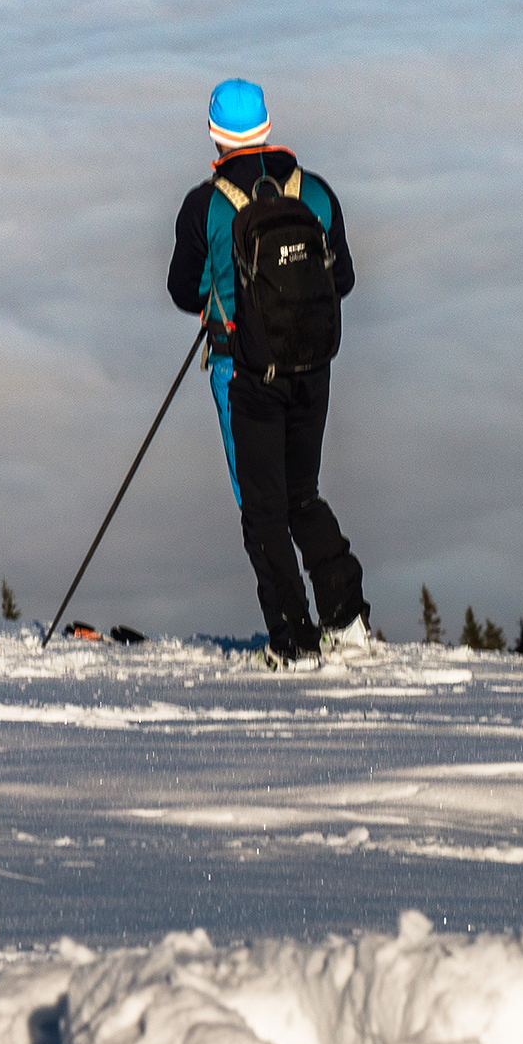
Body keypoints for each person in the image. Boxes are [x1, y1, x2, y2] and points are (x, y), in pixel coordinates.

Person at [167, 78, 370, 662]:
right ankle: (347, 617)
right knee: (302, 495)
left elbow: (184, 291)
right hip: (313, 366)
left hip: (243, 372)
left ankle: (293, 640)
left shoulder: (205, 205)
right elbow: (344, 280)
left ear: (214, 132)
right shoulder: (316, 192)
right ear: (267, 125)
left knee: (262, 510)